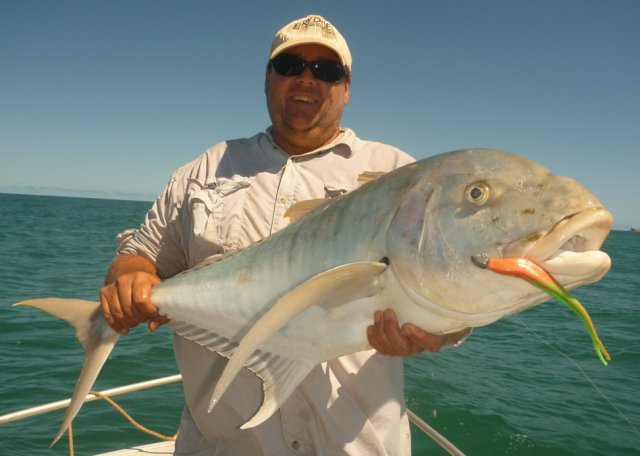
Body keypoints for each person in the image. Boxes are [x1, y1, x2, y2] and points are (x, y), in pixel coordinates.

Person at [100, 14, 448, 455]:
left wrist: (435, 332)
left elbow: (448, 281)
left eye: (326, 71)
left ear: (346, 87)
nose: (306, 78)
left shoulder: (398, 175)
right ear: (268, 78)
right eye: (290, 66)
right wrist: (130, 277)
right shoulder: (207, 169)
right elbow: (140, 254)